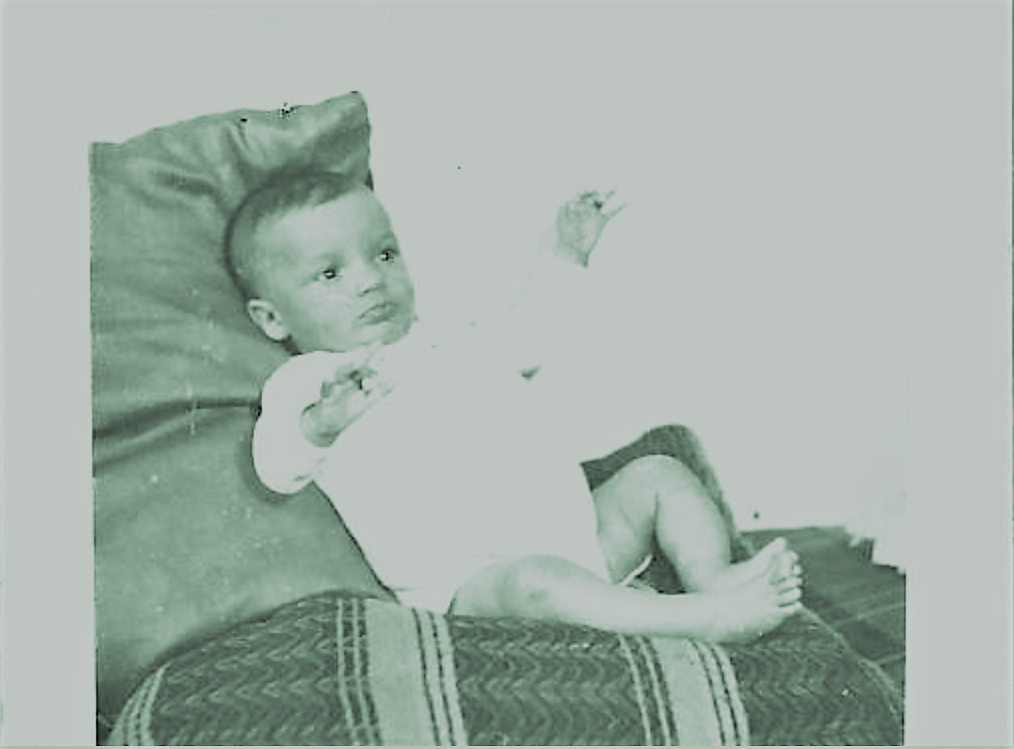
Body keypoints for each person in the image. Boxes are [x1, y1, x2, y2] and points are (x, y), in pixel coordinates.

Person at [224, 167, 803, 642]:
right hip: (476, 588)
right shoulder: (312, 382)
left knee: (657, 475)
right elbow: (275, 466)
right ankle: (700, 620)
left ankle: (712, 579)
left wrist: (567, 255)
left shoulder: (443, 340)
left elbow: (527, 342)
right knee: (536, 582)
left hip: (581, 542)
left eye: (384, 254)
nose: (370, 281)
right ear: (272, 318)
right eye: (330, 273)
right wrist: (320, 424)